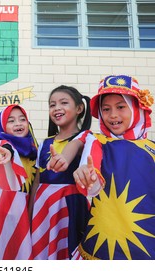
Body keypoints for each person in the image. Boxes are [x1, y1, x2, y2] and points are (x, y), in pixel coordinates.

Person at [70, 75, 155, 260]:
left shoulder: (152, 148)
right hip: (102, 244)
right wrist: (87, 174)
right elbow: (91, 177)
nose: (113, 115)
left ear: (136, 108)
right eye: (106, 109)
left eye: (121, 107)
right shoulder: (98, 141)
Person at [29, 85, 92, 260]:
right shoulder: (45, 143)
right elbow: (37, 182)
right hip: (44, 208)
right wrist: (30, 213)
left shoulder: (86, 139)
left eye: (64, 103)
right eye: (52, 105)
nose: (57, 108)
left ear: (79, 108)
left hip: (70, 207)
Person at [0, 104, 38, 260]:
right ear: (3, 127)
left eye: (22, 119)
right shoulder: (3, 144)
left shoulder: (34, 149)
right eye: (11, 121)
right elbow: (3, 148)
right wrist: (6, 154)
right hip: (4, 208)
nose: (18, 123)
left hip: (24, 208)